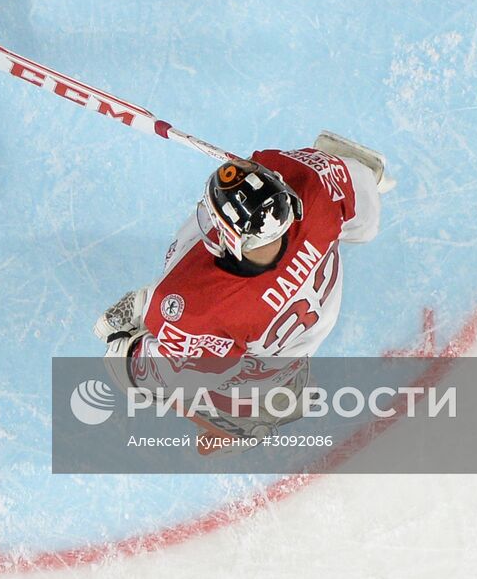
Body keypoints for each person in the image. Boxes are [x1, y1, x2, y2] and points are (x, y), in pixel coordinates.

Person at [93, 132, 391, 455]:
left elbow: (162, 376)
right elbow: (366, 217)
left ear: (233, 241)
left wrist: (124, 355)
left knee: (149, 378)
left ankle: (264, 411)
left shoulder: (201, 311)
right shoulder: (313, 184)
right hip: (304, 328)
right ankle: (281, 389)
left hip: (266, 368)